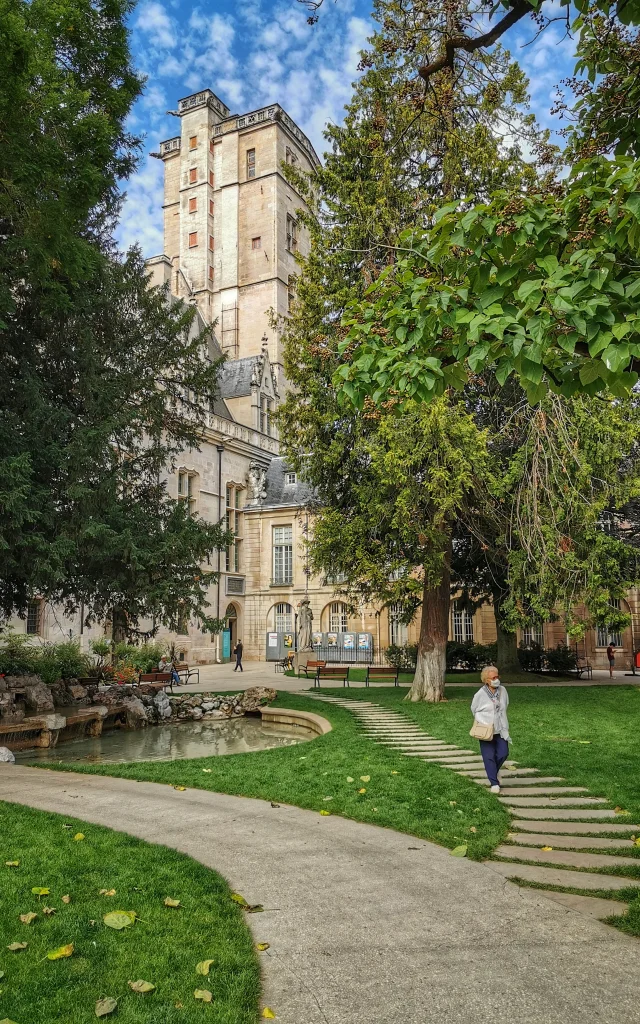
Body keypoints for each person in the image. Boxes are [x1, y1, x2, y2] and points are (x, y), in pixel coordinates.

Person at [470, 665, 510, 794]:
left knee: (503, 753)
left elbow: (506, 704)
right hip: (486, 730)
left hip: (500, 729)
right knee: (489, 757)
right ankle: (494, 782)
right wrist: (483, 719)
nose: (496, 679)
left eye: (497, 676)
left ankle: (494, 771)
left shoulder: (503, 690)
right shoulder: (480, 694)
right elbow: (473, 709)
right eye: (493, 677)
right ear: (486, 680)